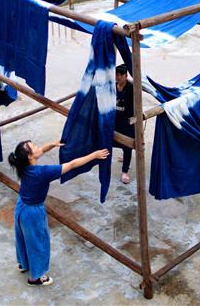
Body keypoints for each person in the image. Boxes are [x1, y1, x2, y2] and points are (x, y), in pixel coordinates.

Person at [8, 140, 108, 286]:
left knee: (23, 237)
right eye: (34, 146)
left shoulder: (22, 166)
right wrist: (94, 155)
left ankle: (24, 264)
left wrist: (52, 145)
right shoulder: (42, 173)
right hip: (33, 213)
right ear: (30, 156)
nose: (37, 147)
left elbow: (41, 150)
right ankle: (36, 277)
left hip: (21, 206)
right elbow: (72, 164)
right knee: (39, 242)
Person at [114, 64, 135, 184]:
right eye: (116, 75)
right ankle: (124, 155)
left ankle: (125, 171)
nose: (117, 78)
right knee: (111, 140)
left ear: (126, 76)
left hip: (128, 121)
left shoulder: (131, 88)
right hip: (115, 119)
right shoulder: (113, 86)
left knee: (127, 145)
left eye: (120, 76)